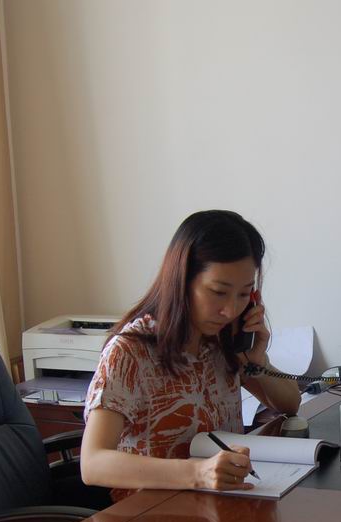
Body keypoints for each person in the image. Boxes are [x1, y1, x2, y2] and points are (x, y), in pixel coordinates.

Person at [80, 210, 301, 502]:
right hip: (150, 515)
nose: (230, 310)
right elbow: (92, 463)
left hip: (221, 505)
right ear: (181, 281)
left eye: (243, 294)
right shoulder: (130, 352)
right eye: (218, 292)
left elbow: (290, 403)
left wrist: (256, 362)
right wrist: (198, 473)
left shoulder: (221, 340)